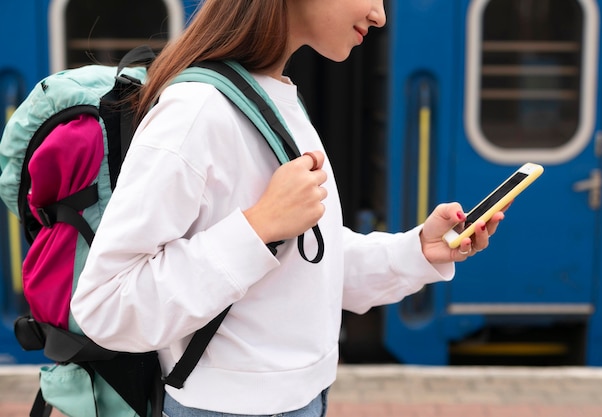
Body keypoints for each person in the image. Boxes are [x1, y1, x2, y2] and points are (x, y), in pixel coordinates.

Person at [70, 0, 505, 416]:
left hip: (303, 400)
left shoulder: (276, 97)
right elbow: (105, 305)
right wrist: (257, 227)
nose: (380, 15)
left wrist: (421, 251)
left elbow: (310, 263)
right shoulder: (196, 111)